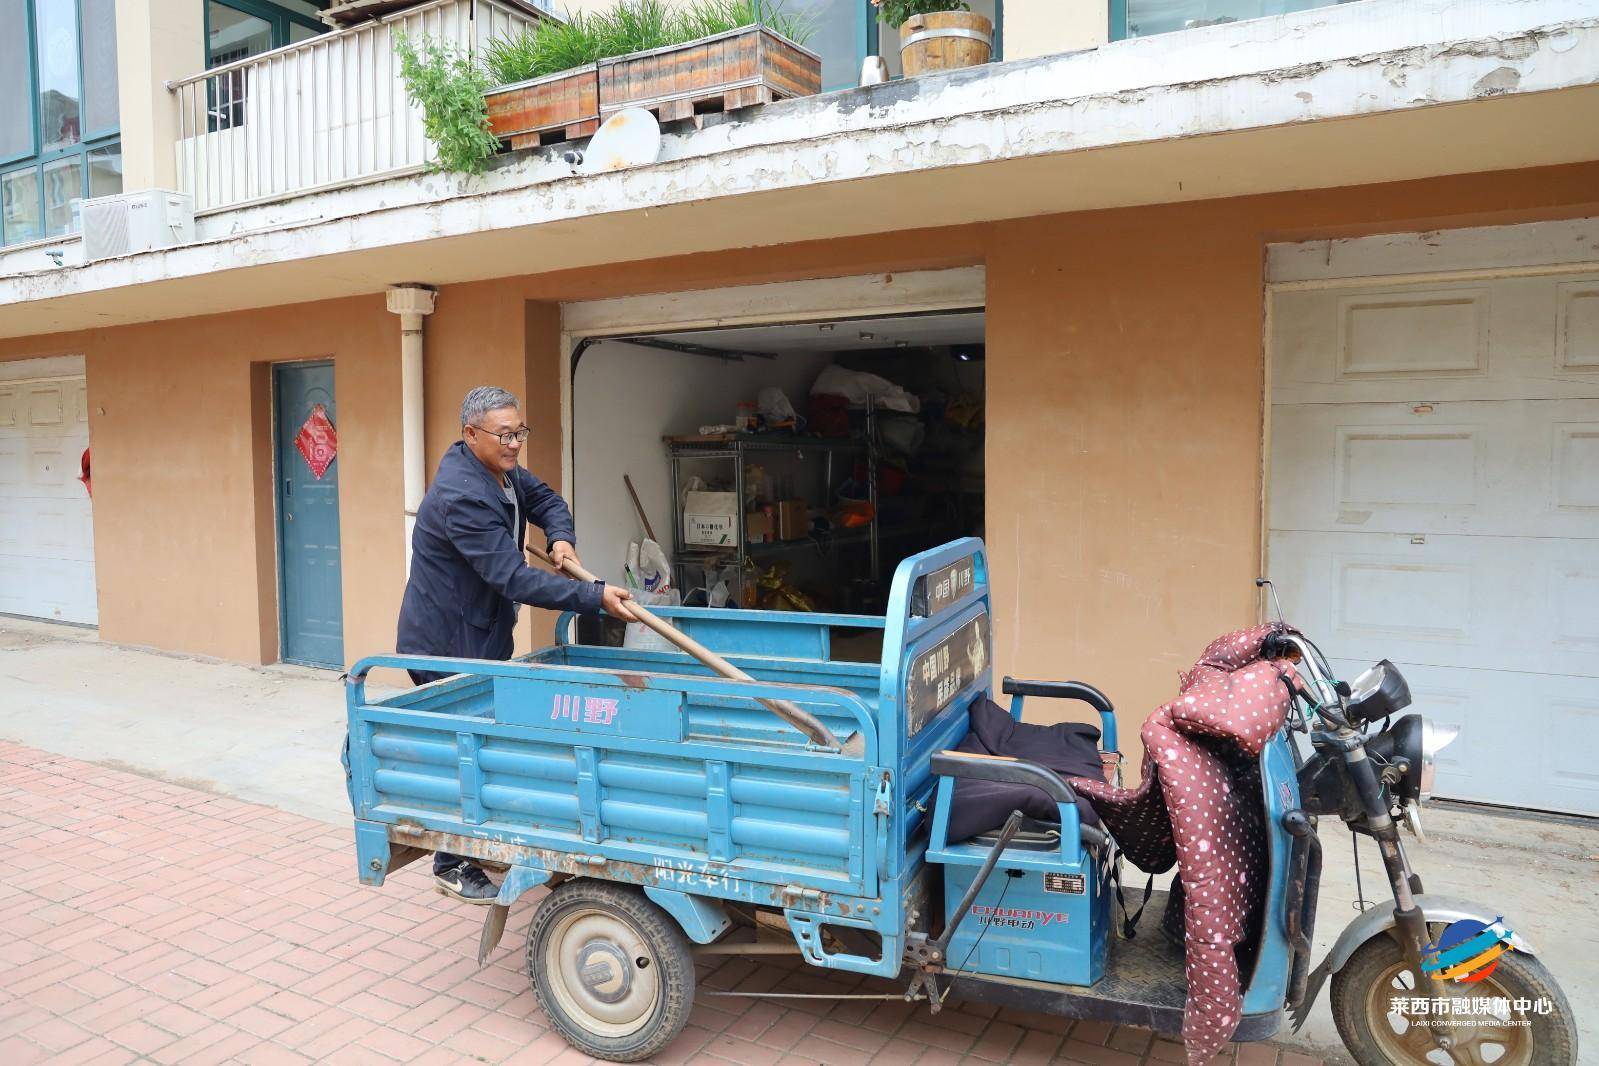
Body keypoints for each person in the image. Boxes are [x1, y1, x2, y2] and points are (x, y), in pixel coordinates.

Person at [397, 385, 634, 903]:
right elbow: (514, 578)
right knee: (469, 750)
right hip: (443, 644)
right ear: (470, 434)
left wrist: (560, 536)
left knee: (486, 746)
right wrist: (592, 597)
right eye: (505, 434)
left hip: (480, 635)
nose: (514, 444)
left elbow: (546, 499)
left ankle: (476, 839)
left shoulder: (500, 471)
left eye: (519, 432)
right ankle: (450, 862)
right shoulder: (462, 494)